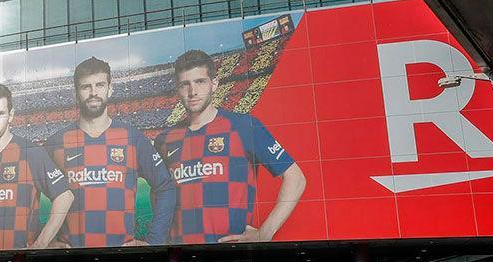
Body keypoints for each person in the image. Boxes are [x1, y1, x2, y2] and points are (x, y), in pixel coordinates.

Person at [154, 49, 306, 244]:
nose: (193, 92)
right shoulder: (164, 140)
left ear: (214, 84)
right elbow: (159, 191)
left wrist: (265, 233)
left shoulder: (244, 126)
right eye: (185, 84)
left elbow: (296, 178)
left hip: (232, 253)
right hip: (180, 257)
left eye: (200, 82)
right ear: (177, 89)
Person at [46, 57, 177, 247]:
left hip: (122, 257)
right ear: (76, 93)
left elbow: (165, 187)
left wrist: (153, 241)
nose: (93, 92)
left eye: (99, 85)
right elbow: (26, 193)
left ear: (110, 88)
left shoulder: (133, 138)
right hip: (71, 260)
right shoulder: (55, 143)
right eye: (85, 87)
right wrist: (44, 242)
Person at [0, 83, 74, 251]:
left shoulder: (31, 153)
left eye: (0, 114)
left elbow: (65, 196)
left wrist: (41, 244)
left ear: (11, 116)